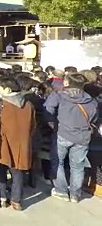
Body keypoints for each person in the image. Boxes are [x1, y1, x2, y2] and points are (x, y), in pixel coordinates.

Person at [44, 72, 99, 203]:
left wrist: (52, 124)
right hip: (82, 137)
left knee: (58, 163)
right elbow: (94, 118)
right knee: (78, 166)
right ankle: (75, 194)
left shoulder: (58, 95)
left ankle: (61, 190)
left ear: (67, 83)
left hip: (62, 134)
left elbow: (48, 110)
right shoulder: (91, 100)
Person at [0, 77, 35, 210]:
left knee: (0, 169)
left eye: (0, 87)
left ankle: (1, 198)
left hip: (3, 141)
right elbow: (33, 126)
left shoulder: (0, 104)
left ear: (8, 89)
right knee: (18, 172)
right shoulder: (28, 105)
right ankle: (16, 200)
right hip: (22, 143)